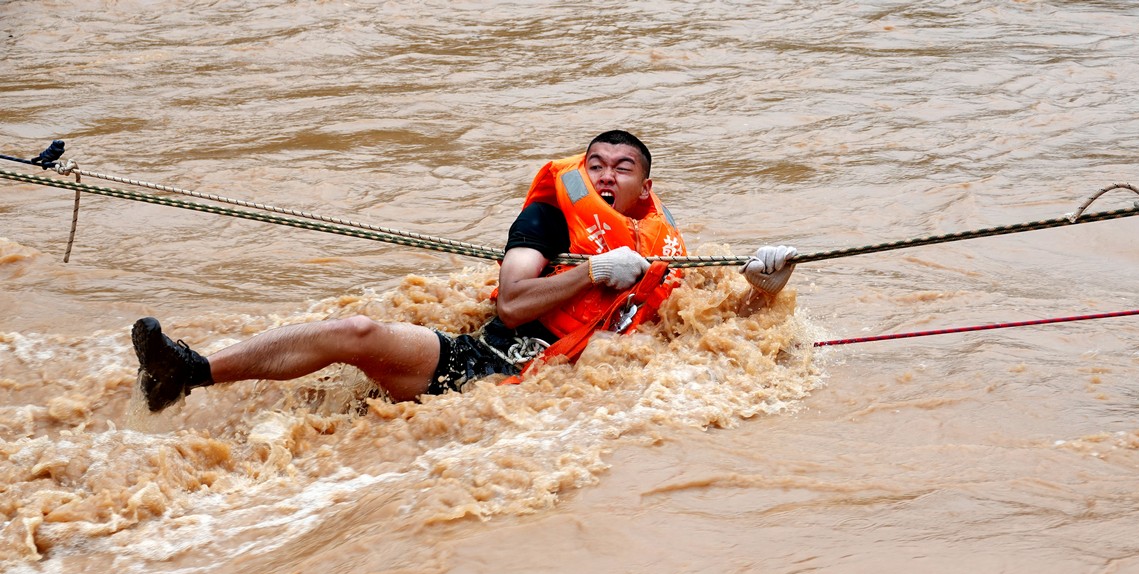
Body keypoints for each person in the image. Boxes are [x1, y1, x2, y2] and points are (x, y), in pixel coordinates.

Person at [132, 130, 799, 413]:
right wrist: (595, 269)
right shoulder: (545, 223)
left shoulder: (664, 246)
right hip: (487, 363)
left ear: (647, 186)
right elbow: (511, 304)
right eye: (594, 163)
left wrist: (762, 291)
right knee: (361, 331)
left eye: (621, 168)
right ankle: (188, 373)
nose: (604, 175)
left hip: (573, 398)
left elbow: (701, 328)